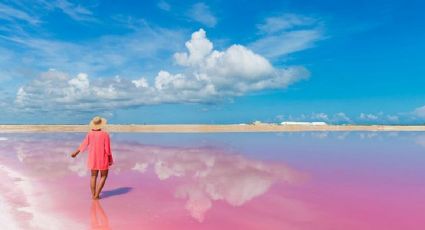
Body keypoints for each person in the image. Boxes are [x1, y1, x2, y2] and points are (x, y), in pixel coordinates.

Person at [71, 116, 113, 200]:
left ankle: (93, 194)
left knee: (93, 176)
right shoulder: (105, 134)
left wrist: (76, 152)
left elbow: (84, 144)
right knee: (103, 176)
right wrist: (110, 159)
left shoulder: (90, 134)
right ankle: (96, 195)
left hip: (93, 158)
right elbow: (107, 149)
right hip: (103, 157)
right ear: (101, 125)